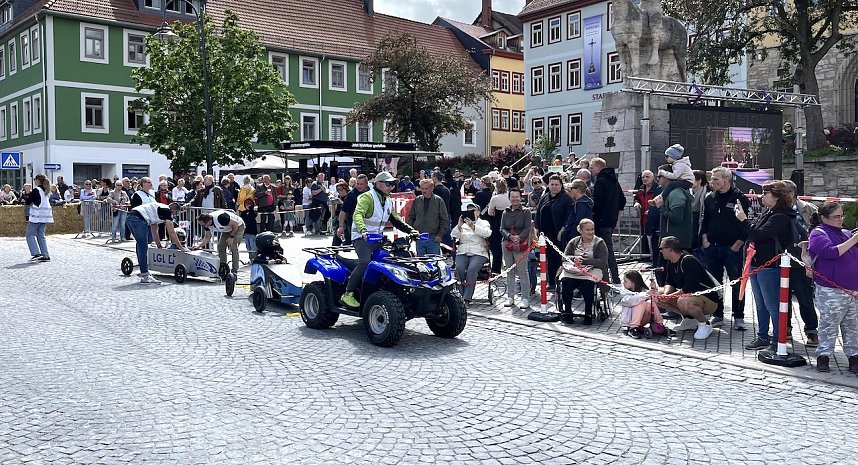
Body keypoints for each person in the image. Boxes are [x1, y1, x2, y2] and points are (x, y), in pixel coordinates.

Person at [340, 172, 420, 309]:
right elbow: (357, 214)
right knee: (365, 262)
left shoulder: (388, 200)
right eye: (388, 184)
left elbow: (396, 219)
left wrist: (411, 230)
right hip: (361, 239)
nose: (391, 187)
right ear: (378, 184)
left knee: (390, 260)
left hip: (377, 240)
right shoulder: (367, 197)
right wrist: (363, 230)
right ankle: (348, 293)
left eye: (393, 184)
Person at [734, 180, 798, 351]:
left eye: (765, 193)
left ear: (776, 196)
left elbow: (758, 234)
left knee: (773, 306)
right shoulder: (769, 212)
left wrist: (743, 219)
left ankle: (778, 340)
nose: (762, 196)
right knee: (760, 305)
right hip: (757, 265)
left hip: (770, 267)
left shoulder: (781, 217)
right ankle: (763, 336)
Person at [807, 202, 858, 373]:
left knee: (852, 325)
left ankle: (854, 356)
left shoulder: (846, 234)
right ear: (823, 218)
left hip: (853, 289)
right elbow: (831, 252)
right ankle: (824, 356)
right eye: (836, 216)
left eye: (841, 216)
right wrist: (854, 240)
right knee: (829, 324)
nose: (841, 219)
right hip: (831, 290)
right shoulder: (818, 233)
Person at [700, 166, 751, 331]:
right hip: (712, 247)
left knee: (736, 283)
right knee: (715, 283)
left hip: (732, 249)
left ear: (726, 180)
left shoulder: (740, 198)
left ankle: (739, 317)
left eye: (716, 179)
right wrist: (705, 239)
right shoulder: (709, 197)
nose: (712, 182)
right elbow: (705, 220)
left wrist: (738, 244)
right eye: (712, 178)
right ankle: (718, 315)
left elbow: (745, 224)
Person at [655, 235, 722, 340]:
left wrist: (670, 297)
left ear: (670, 249)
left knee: (683, 301)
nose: (660, 251)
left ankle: (704, 324)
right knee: (657, 295)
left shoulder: (688, 261)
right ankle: (690, 320)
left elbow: (690, 288)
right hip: (692, 295)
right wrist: (666, 295)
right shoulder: (671, 262)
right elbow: (670, 282)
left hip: (708, 299)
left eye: (661, 248)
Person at [783, 179, 819, 346]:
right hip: (782, 260)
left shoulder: (808, 209)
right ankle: (786, 329)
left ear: (793, 193)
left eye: (785, 192)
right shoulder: (777, 210)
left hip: (801, 260)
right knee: (783, 298)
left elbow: (818, 232)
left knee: (804, 298)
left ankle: (811, 331)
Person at [558, 218, 609, 325]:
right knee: (566, 282)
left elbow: (602, 262)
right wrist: (573, 258)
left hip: (593, 269)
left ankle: (588, 312)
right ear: (580, 230)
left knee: (588, 284)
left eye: (592, 229)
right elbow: (564, 257)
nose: (590, 232)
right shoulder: (574, 241)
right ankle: (567, 311)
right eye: (587, 230)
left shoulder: (600, 243)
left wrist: (585, 261)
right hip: (574, 270)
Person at [126, 202, 187, 284]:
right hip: (138, 218)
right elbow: (171, 232)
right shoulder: (167, 211)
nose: (174, 215)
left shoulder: (159, 210)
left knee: (140, 244)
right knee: (143, 247)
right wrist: (181, 247)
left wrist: (159, 246)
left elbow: (154, 230)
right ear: (174, 210)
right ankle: (145, 275)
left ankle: (144, 271)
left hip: (131, 216)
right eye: (176, 213)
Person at [535, 174, 574, 291]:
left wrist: (563, 229)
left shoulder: (566, 199)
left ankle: (558, 282)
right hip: (545, 235)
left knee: (557, 259)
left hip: (558, 235)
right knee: (547, 259)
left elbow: (569, 217)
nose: (554, 187)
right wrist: (537, 227)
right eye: (552, 184)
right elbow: (538, 212)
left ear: (561, 185)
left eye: (557, 184)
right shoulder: (545, 197)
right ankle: (550, 281)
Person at [590, 157, 626, 284]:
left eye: (592, 167)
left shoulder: (600, 181)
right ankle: (612, 278)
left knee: (605, 251)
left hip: (601, 221)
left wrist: (595, 216)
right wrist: (616, 216)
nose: (590, 169)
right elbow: (623, 200)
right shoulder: (614, 181)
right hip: (610, 221)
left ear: (599, 167)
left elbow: (598, 203)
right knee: (607, 250)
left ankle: (612, 280)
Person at [451, 203, 491, 305]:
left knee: (471, 269)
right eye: (468, 210)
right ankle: (460, 296)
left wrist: (473, 226)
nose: (471, 212)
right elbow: (453, 235)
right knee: (459, 268)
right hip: (463, 251)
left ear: (478, 212)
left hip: (479, 251)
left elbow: (487, 233)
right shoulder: (462, 224)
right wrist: (459, 226)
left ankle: (467, 297)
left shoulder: (483, 222)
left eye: (473, 210)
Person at [500, 188, 532, 309]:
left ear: (521, 198)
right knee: (509, 271)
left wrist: (518, 238)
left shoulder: (526, 212)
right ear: (509, 198)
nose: (515, 199)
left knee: (523, 272)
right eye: (512, 196)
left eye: (517, 196)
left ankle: (525, 298)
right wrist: (509, 236)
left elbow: (527, 228)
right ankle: (510, 297)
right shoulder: (505, 212)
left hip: (521, 244)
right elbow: (502, 228)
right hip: (507, 243)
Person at [194, 209, 246, 274]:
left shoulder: (221, 218)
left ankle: (234, 270)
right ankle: (223, 267)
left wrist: (231, 237)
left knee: (233, 247)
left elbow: (235, 224)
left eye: (202, 225)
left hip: (238, 226)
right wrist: (198, 246)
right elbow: (207, 237)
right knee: (220, 247)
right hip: (227, 228)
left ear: (208, 222)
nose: (202, 227)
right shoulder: (206, 224)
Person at [407, 179, 450, 256]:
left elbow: (444, 220)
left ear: (432, 188)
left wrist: (440, 235)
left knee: (434, 263)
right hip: (419, 237)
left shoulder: (438, 201)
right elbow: (411, 217)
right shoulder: (417, 200)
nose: (424, 191)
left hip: (433, 238)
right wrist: (411, 232)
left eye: (426, 188)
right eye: (422, 188)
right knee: (421, 264)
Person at [620, 270, 667, 339]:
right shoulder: (624, 292)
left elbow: (656, 301)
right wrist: (645, 295)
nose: (623, 283)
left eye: (626, 281)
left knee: (650, 303)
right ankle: (632, 328)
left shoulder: (644, 290)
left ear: (633, 282)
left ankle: (659, 324)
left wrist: (654, 290)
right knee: (639, 303)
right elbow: (630, 301)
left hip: (643, 318)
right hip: (630, 320)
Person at [25, 174, 54, 262]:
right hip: (45, 216)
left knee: (29, 234)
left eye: (34, 179)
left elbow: (28, 201)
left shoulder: (36, 190)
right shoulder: (46, 190)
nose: (34, 181)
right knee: (41, 235)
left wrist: (27, 193)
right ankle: (45, 255)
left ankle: (36, 253)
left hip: (36, 216)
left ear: (38, 180)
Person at [633, 170, 661, 259]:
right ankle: (648, 258)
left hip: (654, 219)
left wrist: (653, 210)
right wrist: (636, 203)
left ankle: (654, 259)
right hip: (643, 218)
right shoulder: (641, 189)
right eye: (643, 177)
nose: (645, 179)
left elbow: (660, 202)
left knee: (654, 240)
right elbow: (636, 198)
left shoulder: (658, 189)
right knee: (646, 239)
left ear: (653, 178)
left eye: (647, 177)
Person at [337, 174, 369, 246]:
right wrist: (341, 226)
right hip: (353, 223)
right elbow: (343, 211)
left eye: (361, 184)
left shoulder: (370, 192)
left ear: (366, 184)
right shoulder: (351, 195)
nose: (359, 186)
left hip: (367, 223)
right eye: (357, 184)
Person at [487, 178, 511, 273]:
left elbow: (490, 212)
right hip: (510, 221)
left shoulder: (495, 198)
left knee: (496, 246)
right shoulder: (509, 196)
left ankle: (496, 269)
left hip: (497, 222)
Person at [559, 179, 593, 244]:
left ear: (578, 190)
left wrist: (570, 235)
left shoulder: (580, 204)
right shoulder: (587, 201)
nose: (570, 190)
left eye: (572, 188)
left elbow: (578, 221)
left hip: (577, 237)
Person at [690, 170, 708, 253]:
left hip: (701, 217)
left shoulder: (707, 194)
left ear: (699, 181)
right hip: (690, 217)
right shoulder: (689, 192)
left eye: (692, 179)